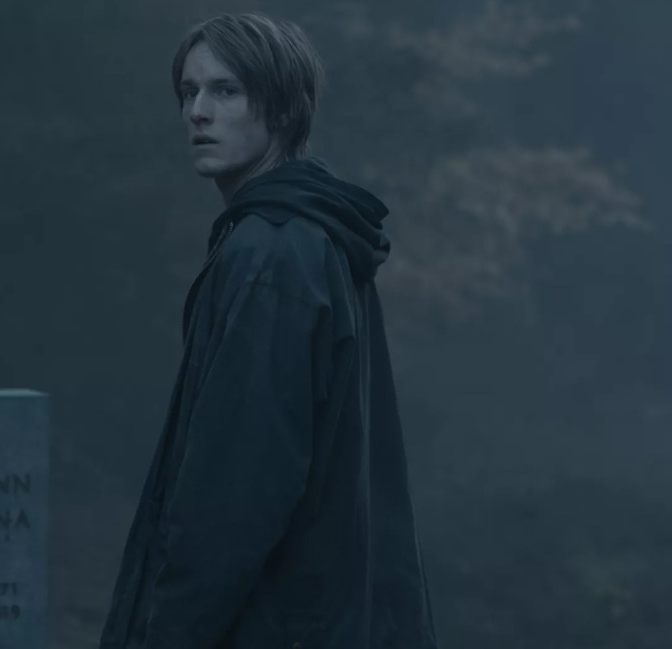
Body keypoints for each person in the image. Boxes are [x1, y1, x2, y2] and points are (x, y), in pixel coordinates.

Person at [98, 12, 439, 649]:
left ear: (283, 109)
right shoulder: (308, 239)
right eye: (189, 92)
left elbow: (236, 490)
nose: (198, 112)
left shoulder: (272, 255)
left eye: (225, 90)